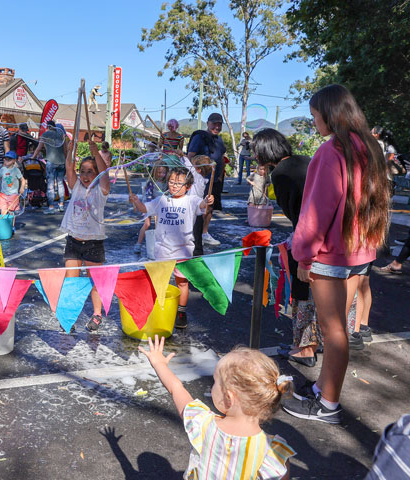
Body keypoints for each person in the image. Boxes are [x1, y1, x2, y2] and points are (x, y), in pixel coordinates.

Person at [282, 84, 390, 424]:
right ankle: (323, 391)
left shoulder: (332, 151)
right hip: (361, 251)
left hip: (331, 255)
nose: (315, 122)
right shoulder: (369, 148)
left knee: (333, 332)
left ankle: (327, 403)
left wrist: (302, 254)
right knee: (338, 328)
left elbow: (316, 211)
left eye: (315, 116)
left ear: (330, 114)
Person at [139, 337, 296, 478]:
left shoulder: (202, 423)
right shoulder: (273, 453)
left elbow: (176, 388)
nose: (211, 387)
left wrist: (159, 363)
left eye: (215, 382)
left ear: (229, 397)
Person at [252, 128, 321, 367]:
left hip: (308, 240)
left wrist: (302, 255)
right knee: (317, 296)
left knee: (302, 294)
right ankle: (310, 343)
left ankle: (304, 348)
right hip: (328, 237)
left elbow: (298, 215)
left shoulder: (280, 173)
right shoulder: (303, 160)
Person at [130, 166, 213, 330]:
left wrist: (208, 201)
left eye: (179, 183)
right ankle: (160, 308)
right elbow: (144, 209)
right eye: (171, 182)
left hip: (184, 251)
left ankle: (181, 312)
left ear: (188, 186)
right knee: (159, 281)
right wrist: (137, 201)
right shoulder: (161, 200)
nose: (174, 186)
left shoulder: (192, 200)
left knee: (182, 283)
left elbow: (203, 205)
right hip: (163, 250)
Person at [60, 140, 110, 331]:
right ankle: (69, 316)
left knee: (95, 281)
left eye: (91, 171)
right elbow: (69, 167)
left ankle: (97, 314)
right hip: (73, 241)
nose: (86, 175)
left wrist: (95, 152)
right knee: (71, 281)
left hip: (94, 243)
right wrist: (70, 150)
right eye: (83, 171)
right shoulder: (77, 187)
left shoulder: (101, 190)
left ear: (97, 174)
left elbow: (105, 174)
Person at [187, 112, 226, 247]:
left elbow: (221, 158)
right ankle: (191, 234)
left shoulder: (219, 140)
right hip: (199, 181)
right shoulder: (199, 137)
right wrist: (197, 174)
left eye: (219, 124)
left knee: (209, 208)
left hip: (214, 181)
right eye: (214, 123)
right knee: (197, 207)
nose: (216, 126)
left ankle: (204, 233)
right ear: (208, 123)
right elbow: (190, 156)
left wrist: (220, 176)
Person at [132, 162, 169, 254]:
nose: (161, 174)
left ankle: (159, 245)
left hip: (161, 205)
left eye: (163, 172)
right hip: (149, 205)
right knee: (147, 224)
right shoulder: (151, 182)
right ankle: (138, 244)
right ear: (155, 172)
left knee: (159, 225)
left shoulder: (166, 183)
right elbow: (148, 196)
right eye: (159, 172)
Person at [32, 120, 67, 215]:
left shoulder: (45, 135)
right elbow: (65, 149)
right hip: (62, 162)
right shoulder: (61, 134)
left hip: (51, 162)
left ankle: (51, 207)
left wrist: (33, 157)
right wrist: (66, 160)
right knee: (60, 183)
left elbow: (39, 148)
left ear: (47, 127)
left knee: (51, 185)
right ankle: (61, 205)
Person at [0, 151, 26, 219]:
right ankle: (4, 225)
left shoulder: (16, 170)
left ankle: (11, 226)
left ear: (14, 160)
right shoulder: (2, 169)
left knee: (11, 212)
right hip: (3, 194)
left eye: (9, 159)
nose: (6, 160)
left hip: (13, 194)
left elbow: (23, 180)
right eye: (5, 158)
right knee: (3, 211)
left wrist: (22, 188)